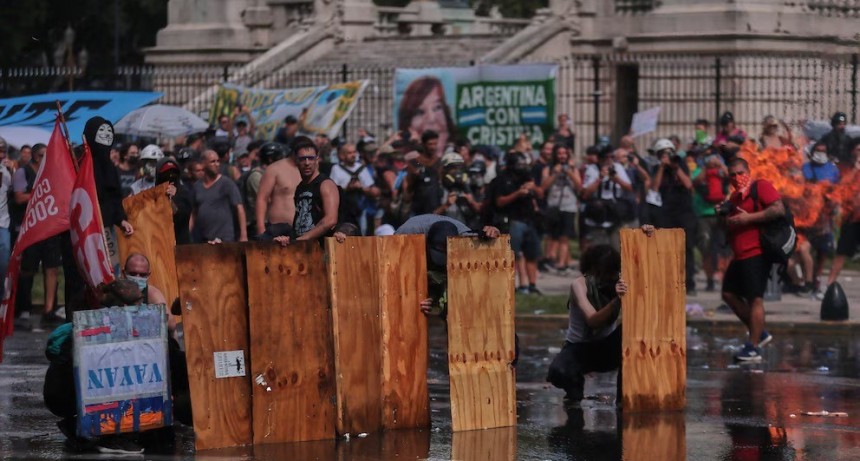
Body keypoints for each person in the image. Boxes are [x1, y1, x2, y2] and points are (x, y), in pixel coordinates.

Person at [43, 277, 191, 455]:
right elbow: (59, 386)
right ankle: (101, 431)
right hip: (74, 403)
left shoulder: (86, 331)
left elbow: (180, 368)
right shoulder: (83, 337)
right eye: (139, 305)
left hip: (71, 404)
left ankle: (98, 428)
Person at [545, 230, 651, 405]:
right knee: (559, 371)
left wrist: (647, 235)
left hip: (606, 347)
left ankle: (623, 400)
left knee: (629, 332)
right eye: (604, 274)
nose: (607, 279)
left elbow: (647, 266)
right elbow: (592, 320)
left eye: (611, 274)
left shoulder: (619, 282)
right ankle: (574, 391)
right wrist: (617, 300)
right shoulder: (580, 285)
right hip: (579, 348)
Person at [720, 157, 783, 362]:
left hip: (756, 253)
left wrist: (749, 218)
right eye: (732, 174)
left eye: (740, 173)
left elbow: (777, 209)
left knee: (755, 299)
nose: (737, 178)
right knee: (729, 294)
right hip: (739, 255)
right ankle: (760, 332)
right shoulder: (735, 197)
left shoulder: (760, 187)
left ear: (748, 171)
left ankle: (753, 347)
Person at [13, 143, 62, 330]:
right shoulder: (22, 173)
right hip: (31, 227)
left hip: (49, 228)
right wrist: (41, 192)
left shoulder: (52, 173)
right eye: (42, 156)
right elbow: (19, 197)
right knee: (28, 269)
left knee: (52, 269)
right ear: (34, 156)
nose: (45, 160)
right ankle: (24, 309)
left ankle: (49, 310)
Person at [645, 138, 698, 294]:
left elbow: (689, 184)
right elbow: (654, 187)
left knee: (687, 247)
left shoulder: (680, 164)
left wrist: (676, 167)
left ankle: (690, 282)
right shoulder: (657, 168)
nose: (667, 156)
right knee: (667, 248)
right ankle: (670, 281)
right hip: (667, 212)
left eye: (669, 153)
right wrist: (662, 166)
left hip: (684, 211)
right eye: (663, 154)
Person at [487, 151, 543, 294]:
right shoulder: (502, 180)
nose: (522, 167)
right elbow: (499, 202)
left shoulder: (527, 178)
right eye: (519, 164)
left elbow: (540, 193)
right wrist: (518, 193)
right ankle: (521, 285)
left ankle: (532, 285)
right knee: (515, 254)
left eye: (524, 164)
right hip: (513, 220)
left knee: (532, 254)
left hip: (529, 220)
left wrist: (533, 187)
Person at [274, 137, 339, 245]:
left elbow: (330, 220)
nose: (307, 163)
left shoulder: (325, 184)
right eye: (303, 159)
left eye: (311, 158)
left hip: (320, 247)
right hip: (302, 246)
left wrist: (303, 239)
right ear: (296, 161)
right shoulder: (300, 187)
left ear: (317, 160)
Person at [190, 150, 248, 243]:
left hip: (225, 238)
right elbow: (193, 213)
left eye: (218, 161)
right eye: (212, 161)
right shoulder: (197, 186)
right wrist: (188, 233)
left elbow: (239, 208)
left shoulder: (226, 183)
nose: (216, 164)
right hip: (204, 239)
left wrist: (243, 235)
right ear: (203, 163)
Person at [540, 144, 581, 274]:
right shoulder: (548, 168)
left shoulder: (573, 168)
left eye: (564, 153)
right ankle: (551, 259)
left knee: (565, 236)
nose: (562, 156)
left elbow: (579, 186)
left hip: (568, 205)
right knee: (553, 235)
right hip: (553, 204)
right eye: (559, 153)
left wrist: (570, 171)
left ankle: (562, 264)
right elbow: (543, 187)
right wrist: (555, 174)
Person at [398, 76, 456, 158]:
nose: (431, 119)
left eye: (437, 107)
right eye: (419, 112)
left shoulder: (457, 157)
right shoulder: (411, 161)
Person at [255, 142, 301, 240]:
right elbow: (262, 199)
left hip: (302, 231)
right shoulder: (271, 170)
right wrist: (261, 229)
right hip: (277, 231)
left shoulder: (306, 170)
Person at [329, 143, 379, 230]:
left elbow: (373, 190)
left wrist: (361, 187)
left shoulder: (361, 168)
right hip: (343, 210)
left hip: (360, 209)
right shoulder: (336, 168)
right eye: (349, 153)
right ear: (343, 155)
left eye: (354, 152)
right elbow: (332, 190)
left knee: (361, 233)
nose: (353, 155)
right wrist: (347, 188)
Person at [242, 142, 286, 239]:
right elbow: (267, 199)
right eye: (279, 157)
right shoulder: (256, 176)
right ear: (270, 159)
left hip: (271, 224)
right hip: (258, 225)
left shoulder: (272, 174)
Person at [436, 152, 481, 228]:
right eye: (453, 168)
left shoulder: (466, 187)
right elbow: (429, 216)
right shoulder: (438, 188)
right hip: (444, 231)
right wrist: (446, 205)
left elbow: (479, 210)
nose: (457, 171)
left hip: (464, 231)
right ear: (444, 169)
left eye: (459, 167)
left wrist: (472, 202)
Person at [156, 157, 193, 245]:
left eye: (174, 174)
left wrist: (173, 198)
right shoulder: (152, 193)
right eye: (166, 174)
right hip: (159, 243)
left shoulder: (183, 193)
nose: (170, 176)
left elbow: (182, 217)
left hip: (180, 243)